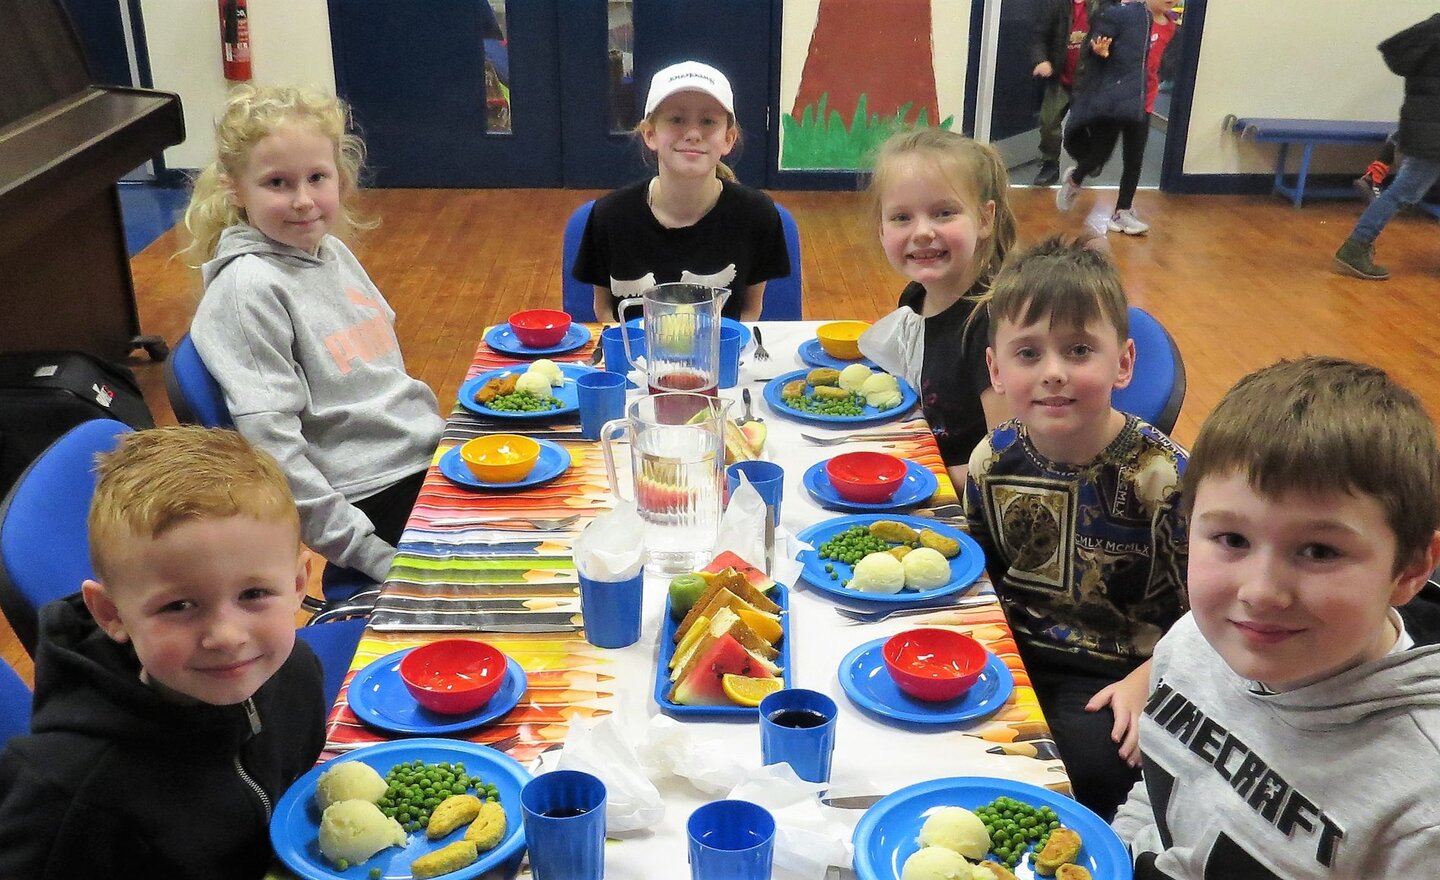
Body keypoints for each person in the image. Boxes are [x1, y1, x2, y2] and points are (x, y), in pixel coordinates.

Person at [1114, 356, 1440, 877]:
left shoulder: (1423, 809)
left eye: (1319, 551)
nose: (1261, 593)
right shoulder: (1195, 641)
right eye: (1232, 539)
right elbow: (1161, 789)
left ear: (1410, 569)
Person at [0, 426, 325, 880]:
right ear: (111, 613)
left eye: (253, 593)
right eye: (179, 606)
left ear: (296, 586)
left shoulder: (295, 674)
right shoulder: (70, 797)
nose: (227, 636)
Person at [181, 84, 444, 585]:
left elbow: (381, 383)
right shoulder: (248, 289)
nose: (303, 201)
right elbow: (273, 455)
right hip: (374, 499)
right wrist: (366, 550)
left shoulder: (332, 252)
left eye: (317, 178)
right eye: (278, 183)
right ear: (236, 189)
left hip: (424, 460)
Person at [964, 236, 1188, 821]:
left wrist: (1152, 677)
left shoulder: (1165, 478)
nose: (1054, 373)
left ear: (1124, 363)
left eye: (1079, 350)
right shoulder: (992, 457)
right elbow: (977, 574)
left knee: (1087, 771)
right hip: (1014, 651)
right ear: (996, 368)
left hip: (1122, 668)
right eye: (1029, 354)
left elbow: (1213, 614)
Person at [573, 60, 790, 322]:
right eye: (677, 119)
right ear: (650, 133)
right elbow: (604, 310)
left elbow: (750, 310)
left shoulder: (757, 216)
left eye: (708, 121)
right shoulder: (609, 216)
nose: (693, 133)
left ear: (728, 139)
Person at [859, 128, 1018, 488]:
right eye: (901, 218)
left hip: (968, 507)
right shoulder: (916, 298)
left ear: (985, 219)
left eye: (944, 213)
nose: (922, 232)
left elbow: (1005, 463)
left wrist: (922, 478)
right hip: (925, 460)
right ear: (881, 229)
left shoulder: (992, 324)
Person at [1056, 0, 1179, 235]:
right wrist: (1101, 51)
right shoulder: (1127, 16)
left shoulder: (1170, 26)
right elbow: (1098, 45)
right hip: (1115, 99)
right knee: (1100, 153)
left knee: (1134, 158)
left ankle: (1122, 211)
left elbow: (1157, 62)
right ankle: (1075, 178)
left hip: (1144, 102)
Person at [1334, 14, 1440, 280]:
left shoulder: (1429, 32)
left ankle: (1356, 245)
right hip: (1434, 131)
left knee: (1404, 191)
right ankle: (1355, 247)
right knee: (1403, 191)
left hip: (1423, 125)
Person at [1029, 0, 1110, 187]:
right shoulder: (1055, 5)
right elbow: (1039, 37)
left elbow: (1113, 35)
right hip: (1060, 78)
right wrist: (1040, 60)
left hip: (1089, 80)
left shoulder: (1101, 6)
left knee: (1088, 125)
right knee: (1048, 121)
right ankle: (1050, 163)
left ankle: (1089, 159)